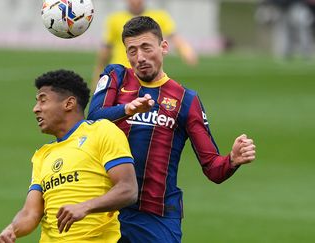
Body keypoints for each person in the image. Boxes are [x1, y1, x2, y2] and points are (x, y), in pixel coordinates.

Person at [88, 16, 256, 243]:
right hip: (106, 210)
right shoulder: (116, 76)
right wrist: (127, 109)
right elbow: (93, 117)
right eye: (132, 51)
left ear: (164, 47)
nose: (140, 58)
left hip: (156, 216)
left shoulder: (186, 100)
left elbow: (213, 170)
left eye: (146, 48)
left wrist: (233, 160)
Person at [0, 69, 138, 243]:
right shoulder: (42, 155)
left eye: (43, 100)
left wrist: (85, 207)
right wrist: (12, 229)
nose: (35, 109)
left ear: (69, 103)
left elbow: (128, 189)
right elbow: (31, 213)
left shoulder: (102, 131)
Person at [92, 0, 198, 87]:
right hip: (122, 75)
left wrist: (185, 49)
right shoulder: (114, 19)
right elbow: (106, 48)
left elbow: (174, 36)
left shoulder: (160, 16)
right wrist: (99, 72)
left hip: (148, 72)